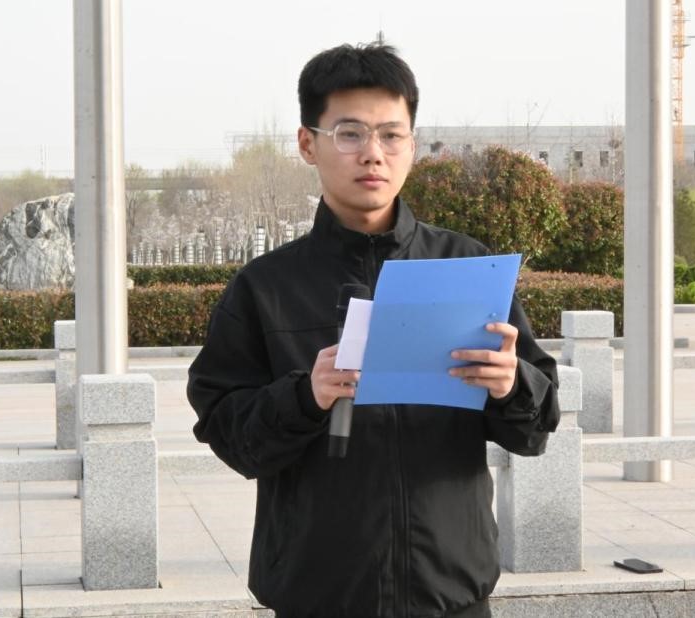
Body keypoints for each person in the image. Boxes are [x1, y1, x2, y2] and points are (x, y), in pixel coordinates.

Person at [187, 42, 560, 618]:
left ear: (412, 145)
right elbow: (229, 434)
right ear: (307, 143)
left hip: (450, 593)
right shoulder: (265, 287)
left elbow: (535, 430)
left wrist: (512, 385)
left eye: (391, 135)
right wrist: (304, 397)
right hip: (319, 596)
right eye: (350, 134)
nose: (373, 154)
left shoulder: (465, 268)